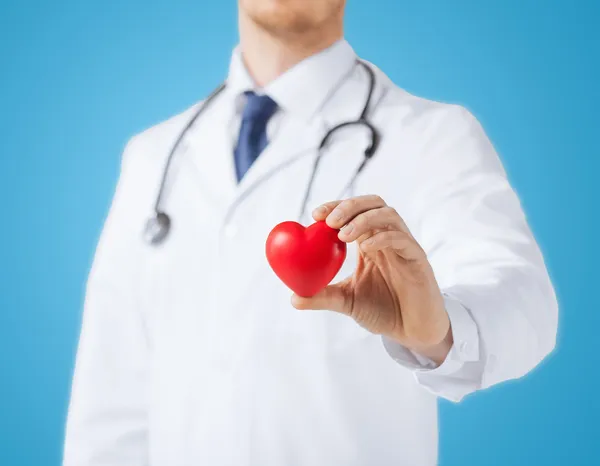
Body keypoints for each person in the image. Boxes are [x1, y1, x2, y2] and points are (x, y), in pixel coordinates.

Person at [63, 0, 559, 465]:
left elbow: (525, 299)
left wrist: (441, 329)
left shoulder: (433, 136)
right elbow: (109, 402)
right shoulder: (154, 157)